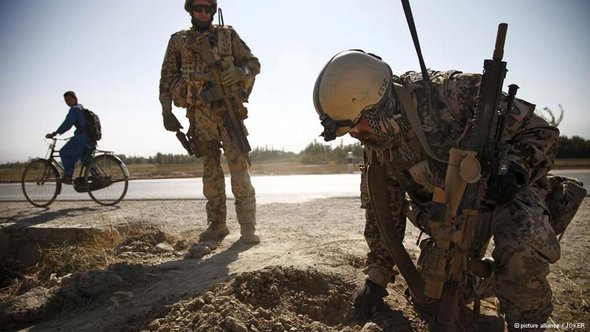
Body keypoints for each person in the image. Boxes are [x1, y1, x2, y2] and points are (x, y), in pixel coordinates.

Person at [312, 50, 561, 330]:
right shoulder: (379, 150)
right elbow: (384, 219)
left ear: (377, 104)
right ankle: (491, 300)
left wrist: (514, 171)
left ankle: (529, 321)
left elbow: (542, 134)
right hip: (453, 220)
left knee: (519, 253)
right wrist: (377, 280)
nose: (358, 136)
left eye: (358, 126)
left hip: (508, 194)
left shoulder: (453, 94)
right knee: (432, 295)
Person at [159, 0, 260, 244]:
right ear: (190, 10)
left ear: (213, 12)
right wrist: (166, 110)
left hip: (228, 111)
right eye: (198, 8)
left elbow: (254, 64)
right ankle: (217, 225)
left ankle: (248, 226)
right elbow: (166, 76)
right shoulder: (178, 41)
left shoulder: (228, 35)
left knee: (239, 167)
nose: (203, 13)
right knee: (211, 171)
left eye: (207, 9)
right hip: (199, 114)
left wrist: (239, 73)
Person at [46, 91, 93, 184]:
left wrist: (55, 133)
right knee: (86, 159)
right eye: (65, 100)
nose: (67, 102)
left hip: (82, 138)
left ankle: (68, 175)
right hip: (89, 137)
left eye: (69, 99)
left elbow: (67, 124)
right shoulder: (81, 107)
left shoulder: (74, 109)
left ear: (75, 99)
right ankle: (97, 176)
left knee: (63, 152)